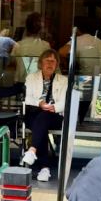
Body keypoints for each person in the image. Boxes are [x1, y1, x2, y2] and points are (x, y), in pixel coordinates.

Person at [20, 48, 67, 182]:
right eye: (47, 60)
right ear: (40, 63)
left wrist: (54, 107)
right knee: (40, 124)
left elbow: (65, 101)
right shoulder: (31, 77)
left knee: (43, 118)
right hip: (34, 113)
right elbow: (27, 98)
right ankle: (44, 168)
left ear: (57, 64)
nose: (50, 64)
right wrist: (39, 103)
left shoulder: (63, 80)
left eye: (53, 61)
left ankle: (33, 150)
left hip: (54, 115)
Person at [11, 13, 51, 82]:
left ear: (26, 27)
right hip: (38, 83)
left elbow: (12, 64)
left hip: (21, 83)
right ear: (40, 29)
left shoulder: (18, 45)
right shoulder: (46, 45)